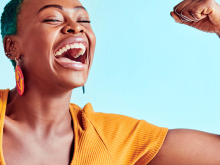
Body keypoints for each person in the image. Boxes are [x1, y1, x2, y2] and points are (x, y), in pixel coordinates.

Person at [0, 0, 220, 164]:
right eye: (53, 19)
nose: (76, 28)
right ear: (11, 47)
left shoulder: (114, 139)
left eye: (84, 20)